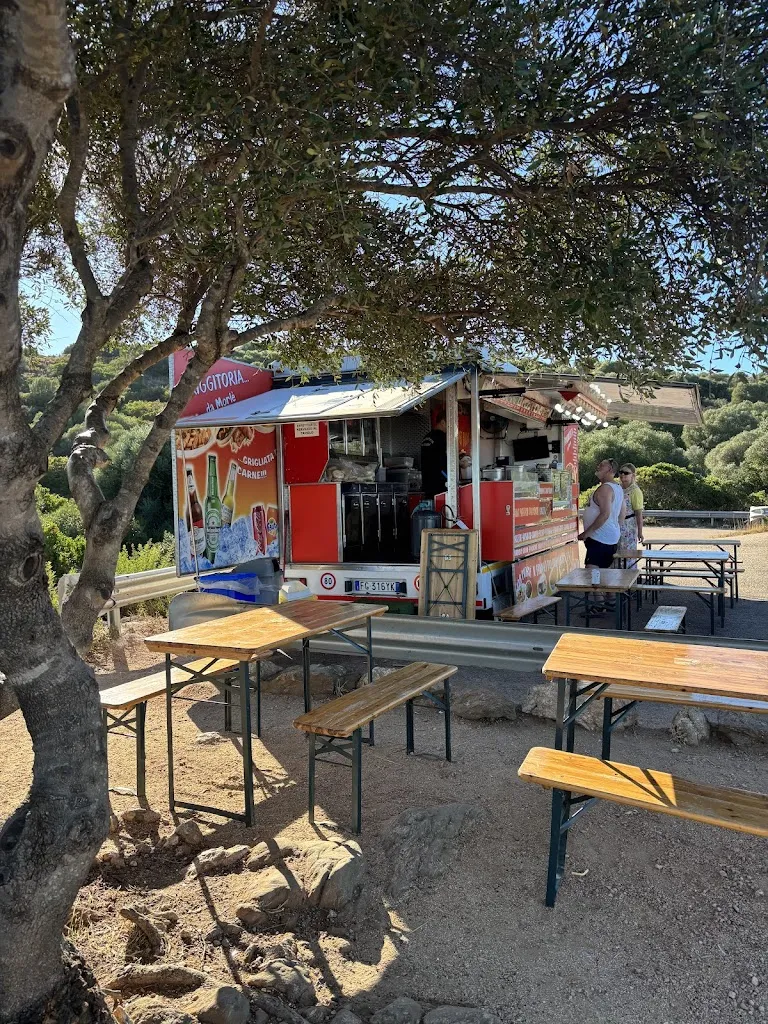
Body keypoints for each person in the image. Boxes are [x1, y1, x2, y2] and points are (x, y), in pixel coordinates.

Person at [578, 458, 623, 610]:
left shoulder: (605, 489)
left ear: (610, 470)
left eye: (602, 465)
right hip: (610, 536)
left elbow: (604, 514)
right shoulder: (617, 488)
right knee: (605, 569)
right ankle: (611, 600)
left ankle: (599, 604)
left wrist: (586, 533)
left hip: (599, 537)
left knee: (591, 570)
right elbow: (622, 512)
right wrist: (616, 527)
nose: (598, 466)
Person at [618, 463, 644, 560]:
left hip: (628, 526)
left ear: (632, 475)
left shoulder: (635, 491)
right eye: (621, 472)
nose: (622, 475)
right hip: (616, 525)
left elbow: (638, 514)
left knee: (627, 555)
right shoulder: (617, 488)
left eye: (626, 473)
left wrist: (640, 532)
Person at [420, 410, 447, 499]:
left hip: (427, 483)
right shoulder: (443, 438)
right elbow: (444, 460)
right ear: (443, 422)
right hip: (441, 484)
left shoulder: (426, 437)